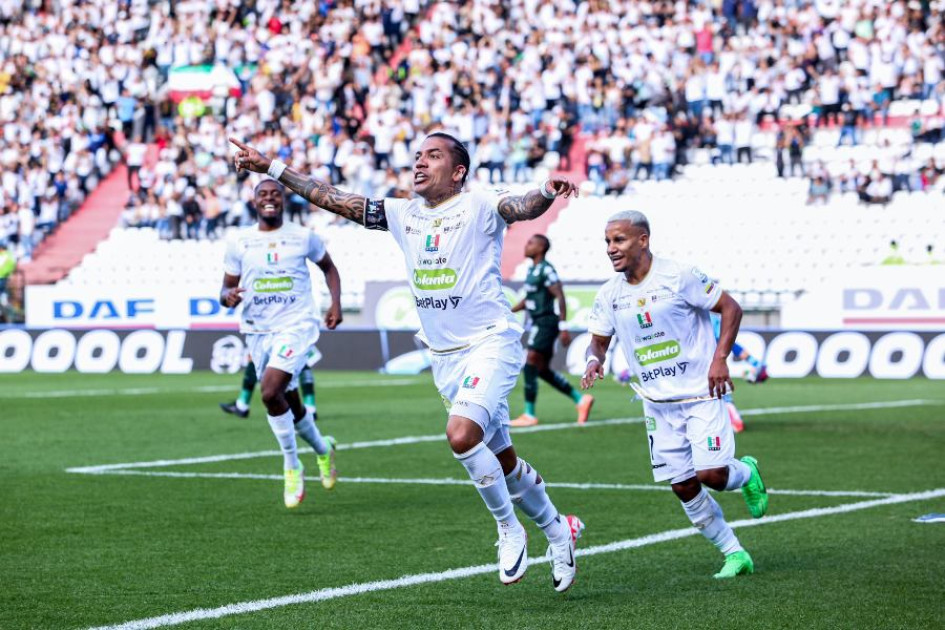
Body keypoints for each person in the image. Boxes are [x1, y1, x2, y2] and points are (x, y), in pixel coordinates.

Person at [230, 132, 585, 592]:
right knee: (504, 460)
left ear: (458, 172)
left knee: (460, 436)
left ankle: (507, 527)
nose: (419, 162)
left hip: (490, 342)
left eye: (433, 156)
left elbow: (519, 206)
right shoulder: (403, 214)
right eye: (417, 155)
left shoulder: (478, 205)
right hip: (444, 357)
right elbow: (334, 198)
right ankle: (558, 530)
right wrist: (272, 168)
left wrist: (544, 192)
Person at [581, 210, 768, 579]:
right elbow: (599, 341)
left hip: (700, 393)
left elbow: (730, 308)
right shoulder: (609, 294)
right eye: (607, 242)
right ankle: (734, 553)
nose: (611, 249)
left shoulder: (678, 275)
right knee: (683, 485)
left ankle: (746, 473)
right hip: (657, 404)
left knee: (711, 474)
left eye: (618, 240)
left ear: (643, 240)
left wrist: (720, 360)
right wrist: (592, 360)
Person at [220, 179, 342, 509]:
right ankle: (322, 449)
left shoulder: (302, 236)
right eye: (263, 194)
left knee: (270, 392)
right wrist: (228, 297)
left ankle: (291, 464)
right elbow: (225, 289)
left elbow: (329, 268)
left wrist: (335, 304)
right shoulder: (239, 241)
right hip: (258, 330)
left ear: (284, 200)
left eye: (275, 193)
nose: (269, 198)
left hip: (296, 325)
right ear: (254, 201)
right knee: (287, 398)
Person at [509, 234, 594, 427]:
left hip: (546, 323)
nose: (526, 245)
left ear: (540, 248)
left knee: (531, 362)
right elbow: (528, 300)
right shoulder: (533, 270)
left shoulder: (547, 270)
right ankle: (581, 400)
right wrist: (508, 310)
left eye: (531, 243)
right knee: (542, 370)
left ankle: (529, 414)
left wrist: (563, 327)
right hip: (539, 322)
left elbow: (560, 296)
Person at [710, 312, 768, 434]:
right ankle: (731, 420)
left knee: (720, 393)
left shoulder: (707, 318)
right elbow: (731, 344)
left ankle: (734, 421)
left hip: (708, 361)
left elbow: (727, 342)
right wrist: (755, 364)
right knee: (718, 392)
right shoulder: (714, 318)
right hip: (710, 360)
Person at [220, 360, 319, 419]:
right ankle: (310, 407)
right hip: (295, 328)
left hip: (276, 329)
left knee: (255, 360)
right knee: (301, 359)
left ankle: (242, 404)